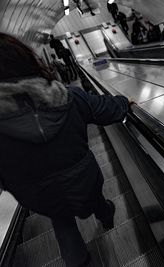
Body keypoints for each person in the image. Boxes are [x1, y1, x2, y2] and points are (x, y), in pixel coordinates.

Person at [0, 33, 134, 267]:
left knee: (62, 220)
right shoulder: (68, 97)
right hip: (84, 178)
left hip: (40, 196)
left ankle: (79, 262)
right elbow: (106, 110)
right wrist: (125, 102)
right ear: (28, 61)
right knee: (93, 196)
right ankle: (105, 214)